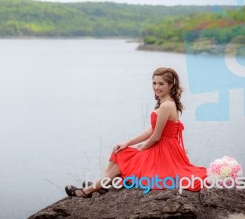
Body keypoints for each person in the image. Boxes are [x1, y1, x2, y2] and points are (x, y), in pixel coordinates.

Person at [65, 67, 207, 198]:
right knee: (119, 150)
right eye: (154, 83)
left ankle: (87, 191)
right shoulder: (165, 102)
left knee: (126, 163)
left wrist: (142, 148)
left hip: (164, 151)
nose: (156, 87)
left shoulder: (167, 105)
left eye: (161, 84)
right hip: (159, 145)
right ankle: (102, 185)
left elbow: (156, 136)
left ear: (170, 86)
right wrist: (128, 143)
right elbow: (152, 130)